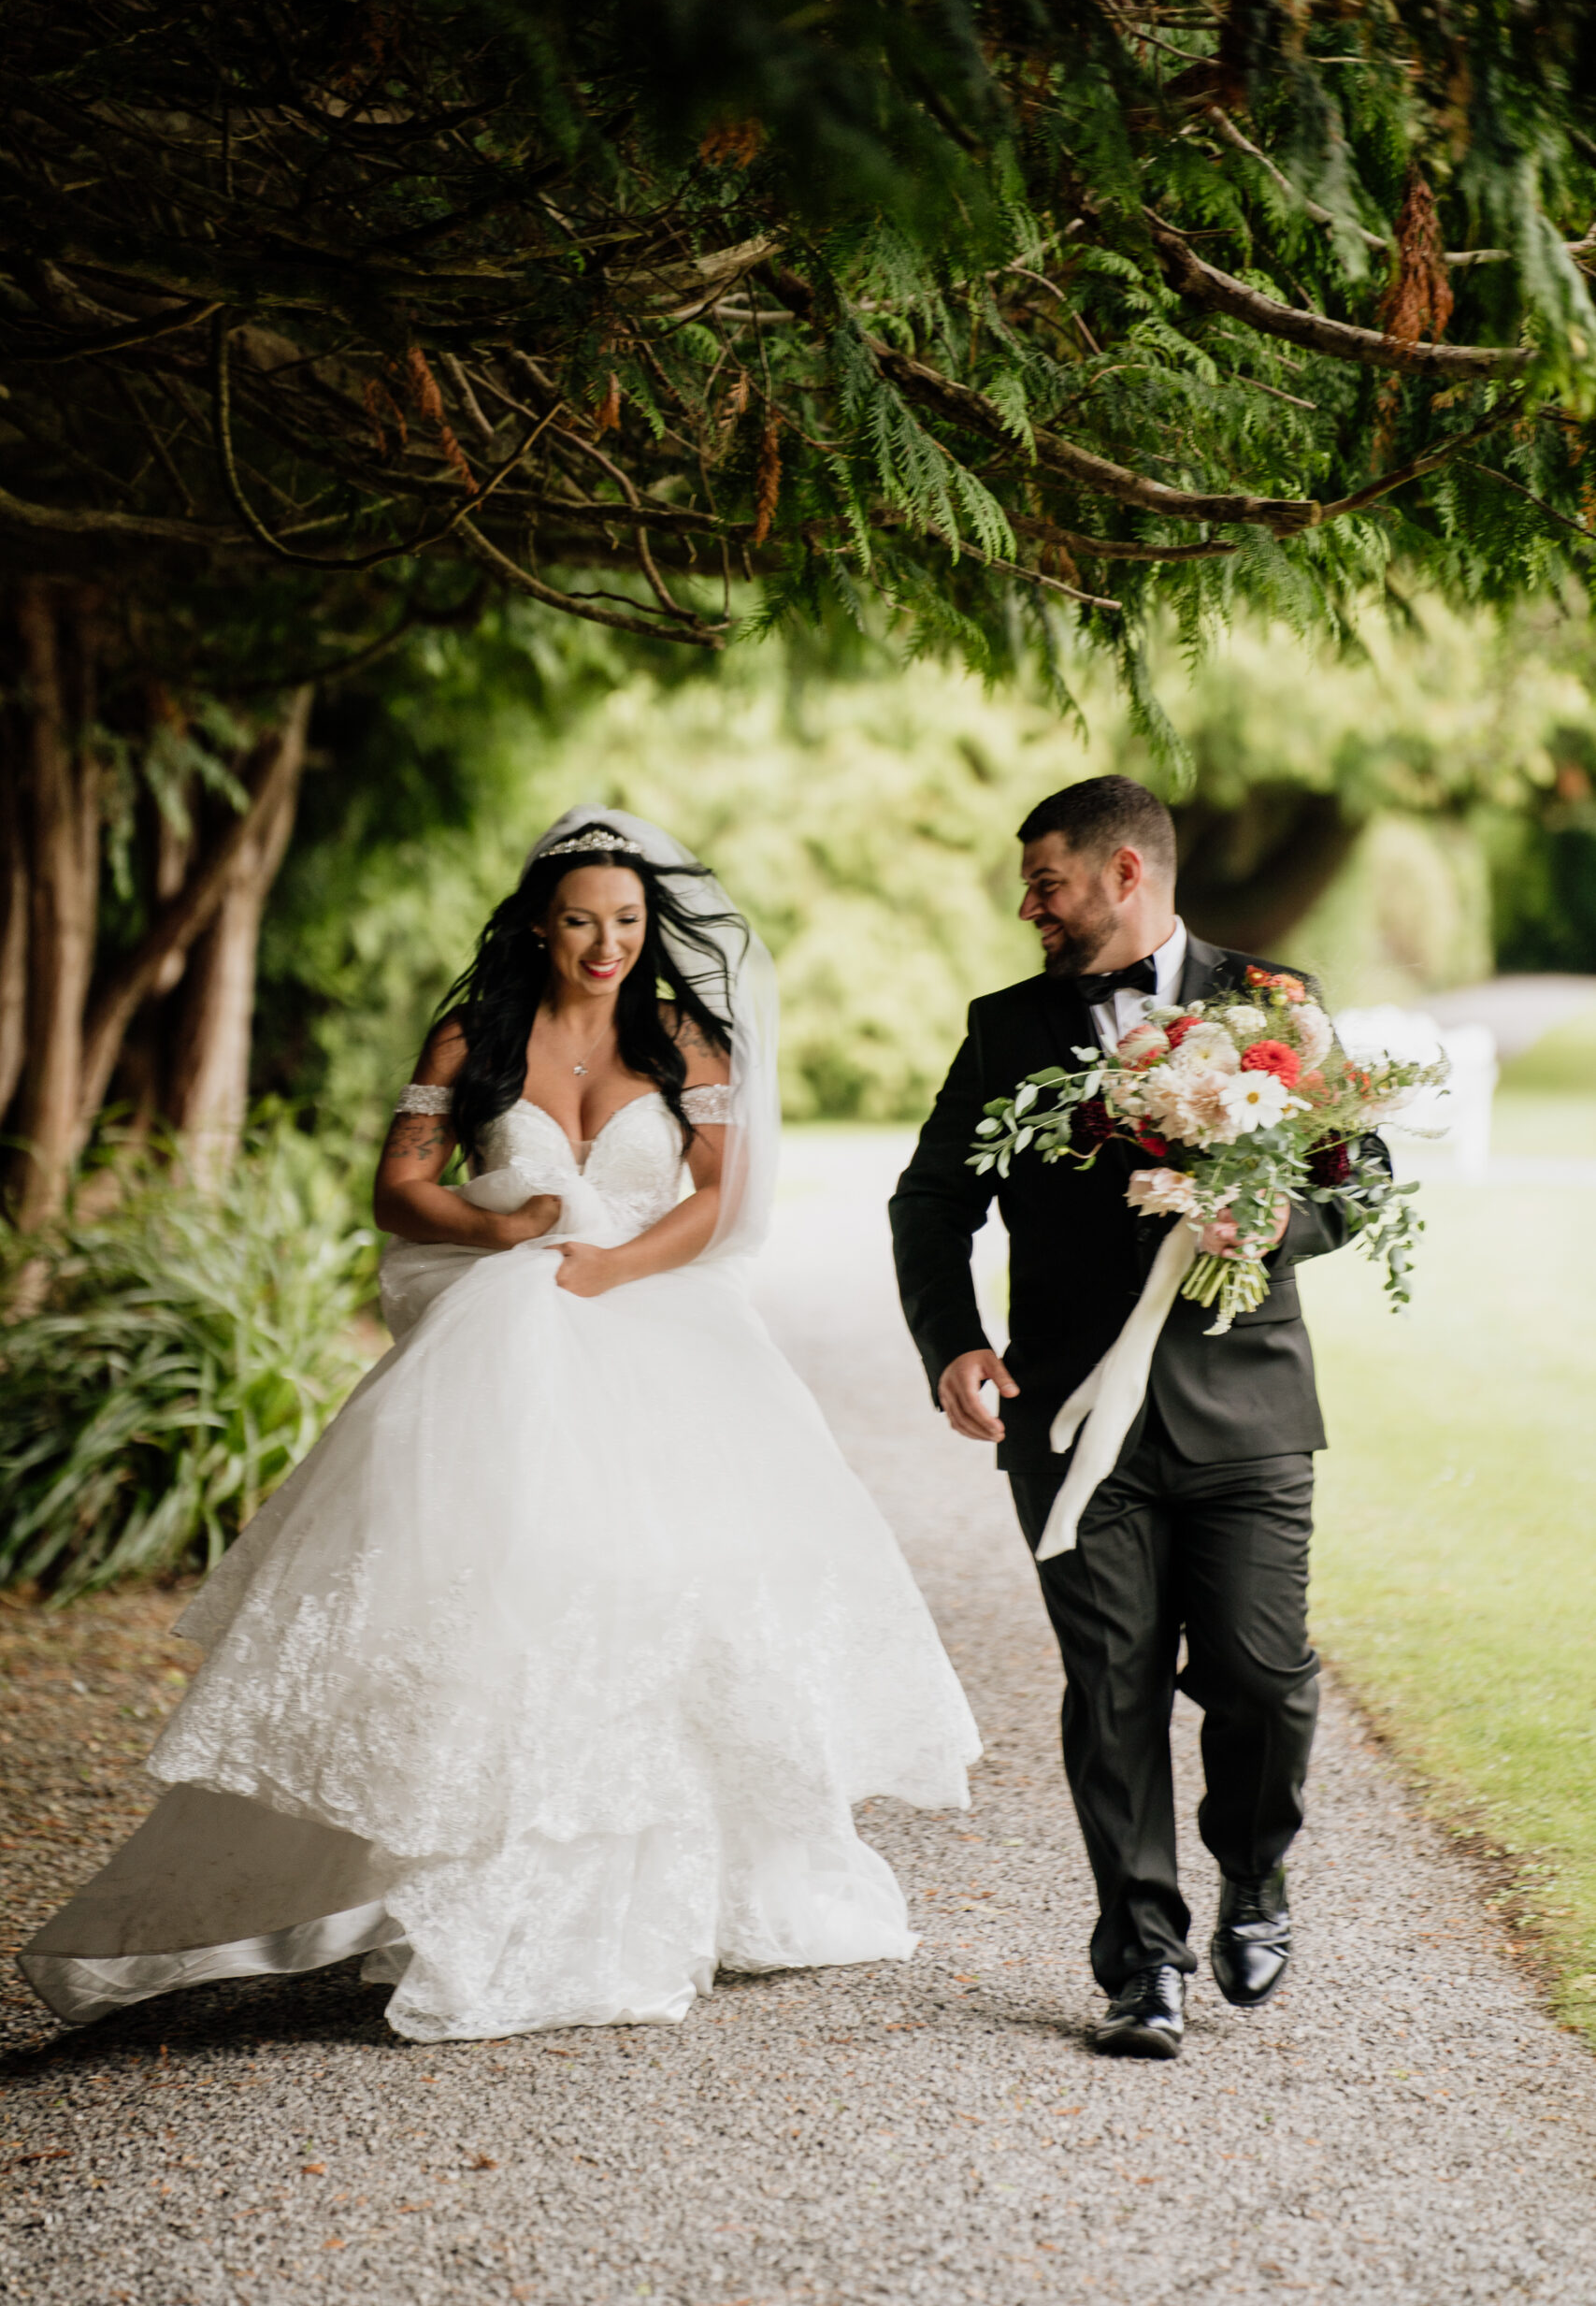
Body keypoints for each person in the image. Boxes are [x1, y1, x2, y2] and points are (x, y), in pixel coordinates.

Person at [22, 808, 978, 2044]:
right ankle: (459, 1881)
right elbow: (400, 1183)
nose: (606, 944)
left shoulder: (685, 1038)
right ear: (542, 922)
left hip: (654, 1325)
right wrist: (502, 1232)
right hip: (498, 1330)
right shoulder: (475, 1035)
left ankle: (683, 1883)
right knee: (483, 1585)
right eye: (583, 919)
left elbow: (722, 1195)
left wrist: (617, 1266)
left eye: (627, 922)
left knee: (664, 1587)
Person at [890, 775, 1355, 2060]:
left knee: (1264, 1679)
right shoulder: (1003, 1028)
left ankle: (1253, 1877)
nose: (1027, 907)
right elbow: (930, 1202)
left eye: (1046, 883)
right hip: (1069, 1420)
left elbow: (1355, 1183)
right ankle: (1140, 1964)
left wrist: (1277, 1222)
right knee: (1113, 1687)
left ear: (1126, 874)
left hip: (1247, 1407)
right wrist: (953, 1344)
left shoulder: (1276, 1005)